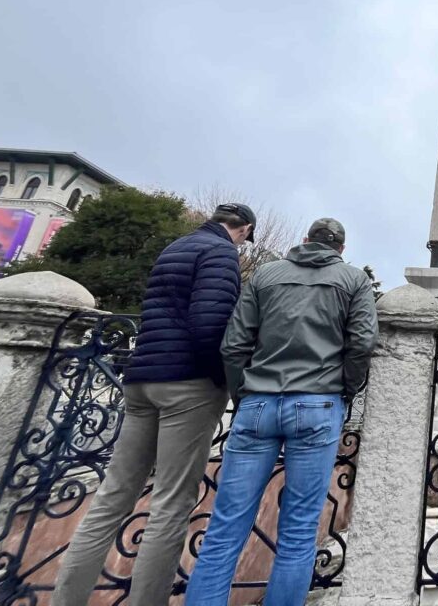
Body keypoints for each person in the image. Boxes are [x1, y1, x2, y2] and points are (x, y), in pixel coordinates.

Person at [53, 203, 255, 606]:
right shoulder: (220, 254)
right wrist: (225, 380)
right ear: (244, 230)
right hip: (187, 384)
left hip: (141, 379)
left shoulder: (176, 247)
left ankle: (65, 599)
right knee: (171, 501)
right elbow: (210, 324)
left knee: (112, 496)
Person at [184, 217, 377, 606]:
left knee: (224, 528)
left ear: (303, 240)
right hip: (319, 403)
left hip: (259, 401)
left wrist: (245, 394)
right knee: (300, 531)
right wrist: (347, 388)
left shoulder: (266, 275)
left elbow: (234, 344)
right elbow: (362, 342)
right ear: (340, 249)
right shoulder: (353, 280)